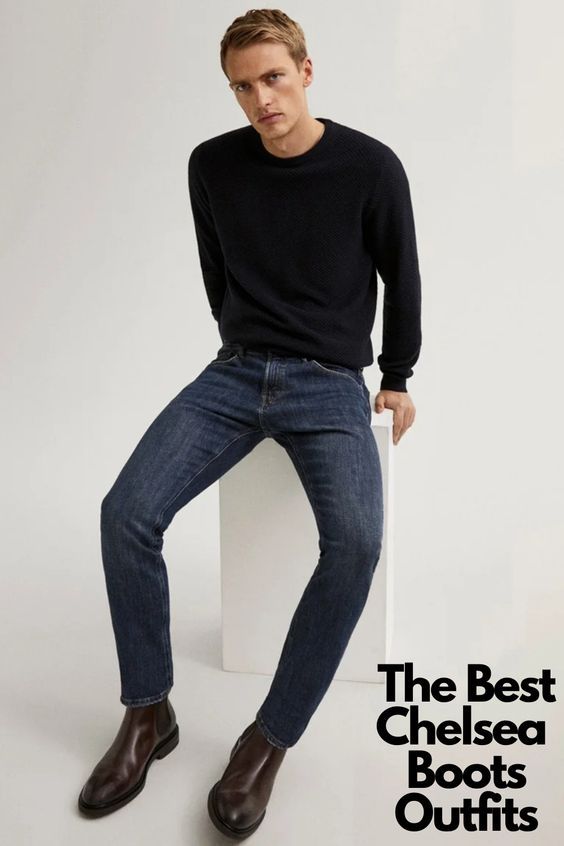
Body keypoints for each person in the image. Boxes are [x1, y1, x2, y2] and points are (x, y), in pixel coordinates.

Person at [77, 8, 422, 839]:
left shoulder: (371, 167)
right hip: (235, 374)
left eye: (272, 77)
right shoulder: (212, 165)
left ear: (306, 71)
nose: (260, 98)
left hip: (330, 384)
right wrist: (243, 340)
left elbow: (402, 274)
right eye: (242, 86)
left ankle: (267, 740)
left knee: (356, 543)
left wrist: (397, 376)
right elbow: (216, 270)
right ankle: (148, 711)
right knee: (126, 513)